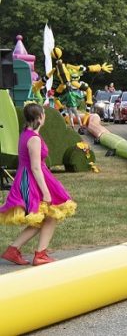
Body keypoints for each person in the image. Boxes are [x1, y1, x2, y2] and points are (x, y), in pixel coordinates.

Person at [0, 103, 77, 266]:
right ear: (40, 117)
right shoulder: (33, 138)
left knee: (46, 217)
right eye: (44, 114)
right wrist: (46, 192)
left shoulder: (26, 134)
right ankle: (38, 254)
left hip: (32, 178)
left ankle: (15, 250)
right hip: (32, 180)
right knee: (49, 215)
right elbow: (35, 167)